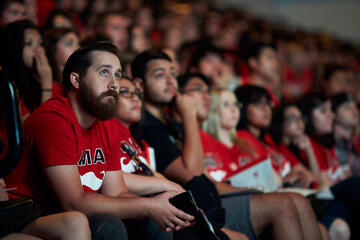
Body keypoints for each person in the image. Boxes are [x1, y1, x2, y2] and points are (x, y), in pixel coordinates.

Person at [5, 42, 194, 239]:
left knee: (155, 217)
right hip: (23, 214)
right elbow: (73, 202)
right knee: (110, 224)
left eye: (118, 75)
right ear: (76, 80)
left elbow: (117, 193)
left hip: (62, 212)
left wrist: (163, 204)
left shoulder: (107, 124)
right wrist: (149, 206)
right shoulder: (53, 120)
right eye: (104, 72)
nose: (114, 83)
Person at [132, 50, 322, 240]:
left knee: (300, 202)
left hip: (209, 202)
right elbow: (192, 173)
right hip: (194, 212)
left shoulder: (169, 125)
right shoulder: (148, 126)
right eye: (160, 75)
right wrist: (189, 114)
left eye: (173, 74)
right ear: (140, 83)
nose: (170, 80)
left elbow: (204, 178)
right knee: (285, 204)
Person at [269, 102, 351, 240]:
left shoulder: (296, 148)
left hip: (311, 200)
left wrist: (308, 148)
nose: (299, 123)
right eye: (292, 118)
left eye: (300, 118)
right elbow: (317, 181)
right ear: (280, 123)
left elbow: (313, 179)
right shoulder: (277, 148)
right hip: (299, 203)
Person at [299, 92, 360, 240]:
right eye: (323, 111)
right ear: (308, 117)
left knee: (348, 209)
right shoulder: (306, 143)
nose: (331, 116)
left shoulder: (327, 144)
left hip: (332, 199)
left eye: (330, 111)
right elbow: (322, 184)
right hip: (315, 200)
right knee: (353, 184)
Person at [0, 20, 58, 120]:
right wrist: (46, 83)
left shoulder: (37, 80)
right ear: (14, 48)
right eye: (29, 43)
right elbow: (41, 129)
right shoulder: (8, 87)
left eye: (40, 43)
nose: (37, 49)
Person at [331, 92, 360, 177]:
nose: (354, 111)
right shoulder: (329, 143)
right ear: (334, 114)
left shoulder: (356, 142)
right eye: (347, 108)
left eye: (356, 107)